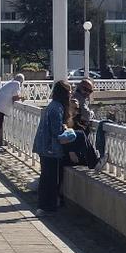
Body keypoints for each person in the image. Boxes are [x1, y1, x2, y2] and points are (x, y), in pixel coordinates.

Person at [32, 80, 72, 213]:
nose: (71, 94)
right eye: (69, 91)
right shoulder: (57, 108)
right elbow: (57, 132)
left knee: (45, 177)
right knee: (51, 179)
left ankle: (42, 205)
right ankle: (47, 206)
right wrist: (66, 129)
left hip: (44, 146)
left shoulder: (52, 105)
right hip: (51, 149)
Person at [0, 73, 25, 151]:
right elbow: (14, 97)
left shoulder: (10, 83)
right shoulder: (16, 84)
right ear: (21, 81)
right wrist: (22, 97)